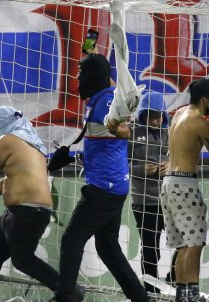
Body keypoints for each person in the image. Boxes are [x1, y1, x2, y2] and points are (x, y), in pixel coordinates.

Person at [54, 54, 149, 302]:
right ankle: (140, 297)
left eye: (80, 73)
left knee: (72, 239)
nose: (77, 78)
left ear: (92, 76)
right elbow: (101, 145)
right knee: (107, 247)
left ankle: (65, 297)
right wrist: (72, 158)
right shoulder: (99, 99)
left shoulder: (107, 100)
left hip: (103, 189)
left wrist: (117, 127)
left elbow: (122, 129)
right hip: (111, 185)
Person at [0, 106, 62, 302]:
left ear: (3, 125)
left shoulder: (8, 140)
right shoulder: (34, 145)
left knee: (23, 260)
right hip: (21, 213)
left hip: (28, 212)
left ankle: (69, 292)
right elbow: (10, 179)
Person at [162, 78, 209, 302]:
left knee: (183, 245)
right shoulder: (199, 122)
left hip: (169, 184)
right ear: (205, 100)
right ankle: (193, 296)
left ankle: (181, 295)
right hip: (185, 186)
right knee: (195, 244)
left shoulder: (180, 114)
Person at [128, 91, 169, 293]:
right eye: (151, 115)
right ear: (142, 114)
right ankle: (152, 293)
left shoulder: (170, 134)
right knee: (151, 251)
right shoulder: (131, 133)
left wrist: (170, 166)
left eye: (159, 115)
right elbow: (121, 164)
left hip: (170, 201)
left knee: (188, 244)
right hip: (144, 203)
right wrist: (140, 169)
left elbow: (185, 160)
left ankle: (171, 284)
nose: (156, 120)